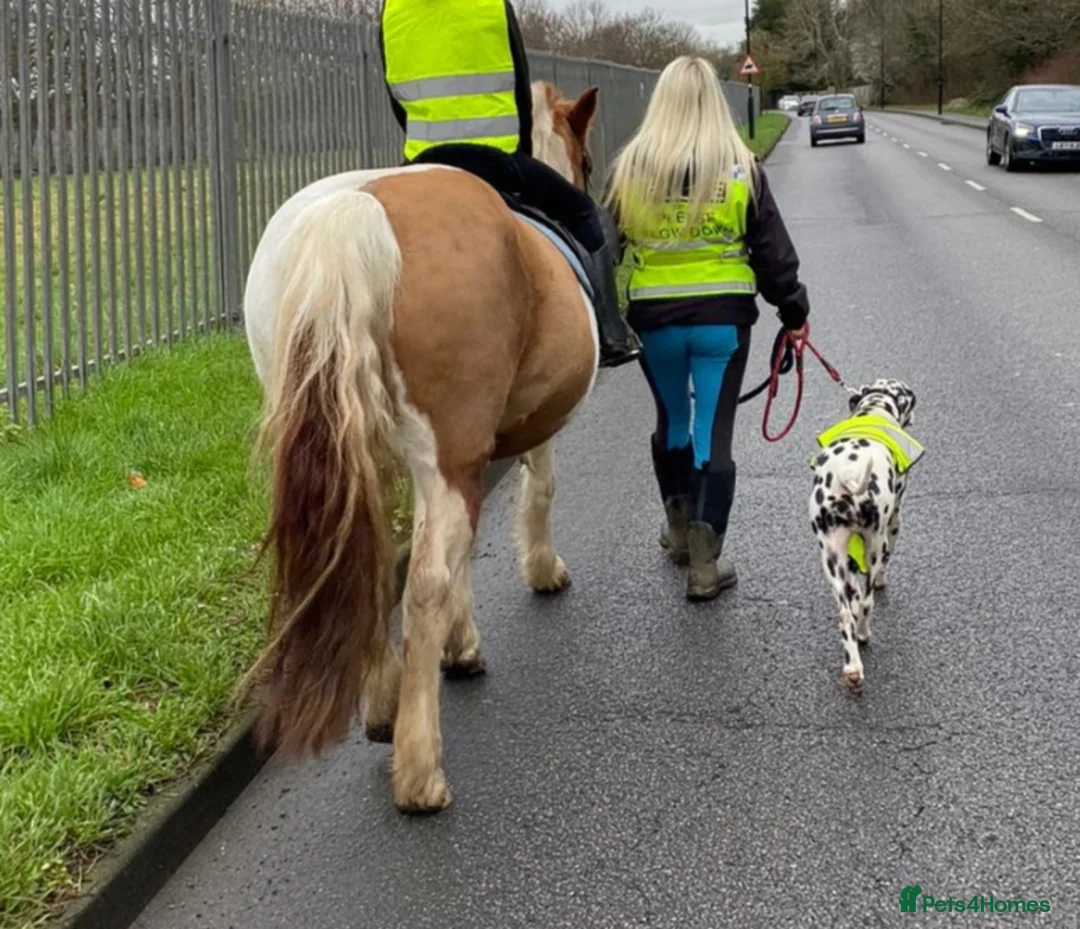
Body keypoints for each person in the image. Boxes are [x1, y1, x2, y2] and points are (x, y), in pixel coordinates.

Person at [605, 56, 810, 601]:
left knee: (672, 419)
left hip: (654, 321)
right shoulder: (741, 169)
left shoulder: (629, 170)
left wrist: (606, 320)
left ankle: (676, 533)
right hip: (722, 323)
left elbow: (604, 249)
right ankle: (704, 564)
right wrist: (794, 314)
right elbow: (774, 257)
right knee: (711, 433)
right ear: (716, 105)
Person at [378, 0, 642, 368]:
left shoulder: (392, 9)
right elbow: (519, 88)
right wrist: (521, 154)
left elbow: (396, 99)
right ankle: (611, 331)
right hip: (496, 160)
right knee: (583, 212)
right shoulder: (491, 5)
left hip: (423, 161)